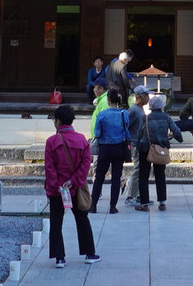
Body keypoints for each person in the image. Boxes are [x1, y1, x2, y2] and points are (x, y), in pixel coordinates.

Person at [44, 104, 101, 267]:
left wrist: (57, 185)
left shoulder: (51, 141)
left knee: (56, 222)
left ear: (58, 121)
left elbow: (49, 167)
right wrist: (74, 181)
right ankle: (90, 253)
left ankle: (59, 257)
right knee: (82, 219)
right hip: (75, 189)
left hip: (57, 189)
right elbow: (85, 163)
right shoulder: (82, 139)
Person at [91, 88, 130, 214]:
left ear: (108, 100)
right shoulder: (124, 113)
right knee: (116, 178)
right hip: (119, 148)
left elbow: (97, 133)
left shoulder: (102, 115)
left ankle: (94, 205)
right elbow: (127, 131)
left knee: (99, 178)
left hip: (105, 148)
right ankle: (113, 206)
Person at [142, 94, 182, 211]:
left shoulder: (145, 118)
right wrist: (175, 138)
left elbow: (140, 133)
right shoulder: (166, 117)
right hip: (161, 149)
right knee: (160, 175)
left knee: (143, 175)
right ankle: (162, 202)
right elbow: (176, 131)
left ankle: (144, 202)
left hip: (145, 148)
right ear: (161, 107)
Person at [126, 86, 150, 209]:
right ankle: (130, 196)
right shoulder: (134, 110)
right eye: (146, 96)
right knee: (138, 168)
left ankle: (141, 196)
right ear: (139, 97)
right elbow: (126, 126)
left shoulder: (140, 109)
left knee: (142, 169)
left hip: (141, 143)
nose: (148, 98)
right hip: (135, 143)